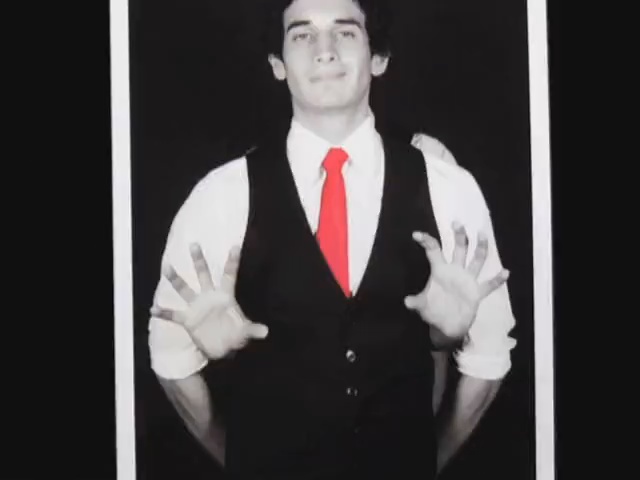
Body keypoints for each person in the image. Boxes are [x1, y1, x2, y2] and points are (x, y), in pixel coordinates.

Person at [147, 0, 517, 478]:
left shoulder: (449, 188)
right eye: (301, 34)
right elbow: (170, 357)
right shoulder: (219, 196)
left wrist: (427, 462)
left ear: (378, 57)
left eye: (345, 32)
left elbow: (489, 356)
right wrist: (243, 462)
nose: (324, 50)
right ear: (277, 64)